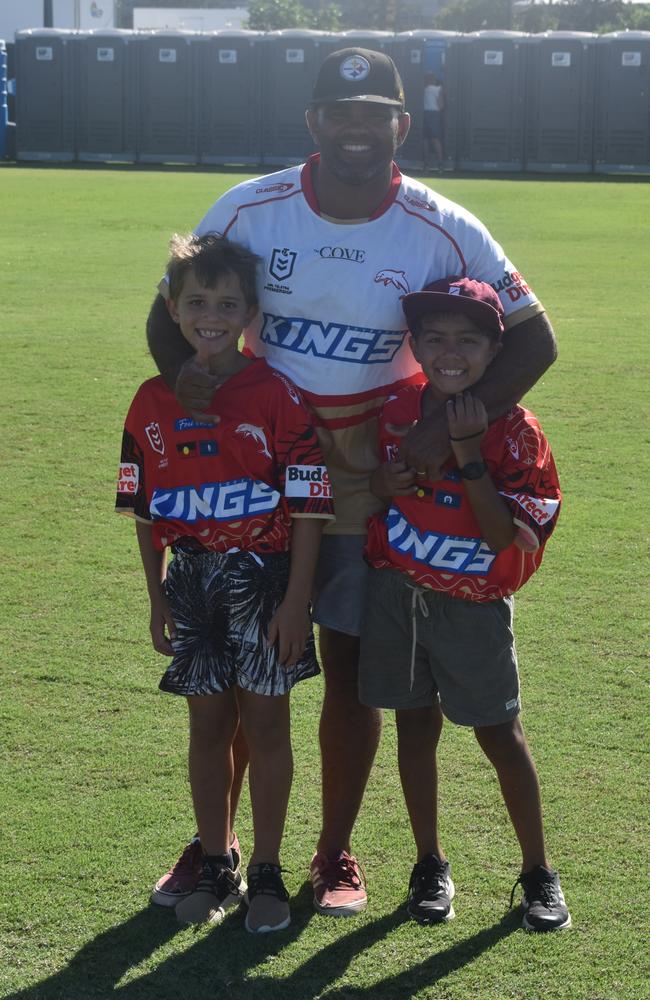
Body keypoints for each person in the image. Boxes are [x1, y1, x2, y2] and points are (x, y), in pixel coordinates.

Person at [145, 46, 558, 917]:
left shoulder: (441, 223)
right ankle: (214, 849)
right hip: (262, 477)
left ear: (402, 125)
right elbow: (171, 307)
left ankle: (334, 852)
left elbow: (533, 338)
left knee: (349, 671)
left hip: (376, 480)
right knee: (243, 672)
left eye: (376, 113)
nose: (358, 127)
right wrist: (190, 377)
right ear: (314, 122)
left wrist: (449, 439)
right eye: (341, 112)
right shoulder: (251, 207)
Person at [117, 233, 334, 932]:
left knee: (267, 725)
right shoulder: (150, 401)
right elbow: (147, 514)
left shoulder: (277, 394)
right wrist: (156, 599)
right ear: (174, 309)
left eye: (227, 303)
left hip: (266, 582)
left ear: (249, 314)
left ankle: (267, 868)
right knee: (207, 726)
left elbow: (308, 505)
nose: (211, 314)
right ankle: (216, 862)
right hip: (193, 581)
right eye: (196, 301)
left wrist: (297, 600)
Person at [360, 276, 570, 932]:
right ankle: (430, 864)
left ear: (494, 348)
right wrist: (386, 479)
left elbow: (504, 535)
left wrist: (468, 455)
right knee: (414, 730)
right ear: (415, 345)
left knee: (499, 735)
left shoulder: (515, 431)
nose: (451, 352)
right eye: (435, 338)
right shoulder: (398, 406)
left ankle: (538, 873)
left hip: (473, 606)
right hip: (401, 594)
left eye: (468, 340)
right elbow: (376, 484)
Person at [423, 73, 445, 171]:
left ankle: (426, 164)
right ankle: (440, 164)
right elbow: (441, 106)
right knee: (436, 139)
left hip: (425, 113)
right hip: (434, 114)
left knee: (425, 140)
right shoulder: (439, 89)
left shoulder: (423, 89)